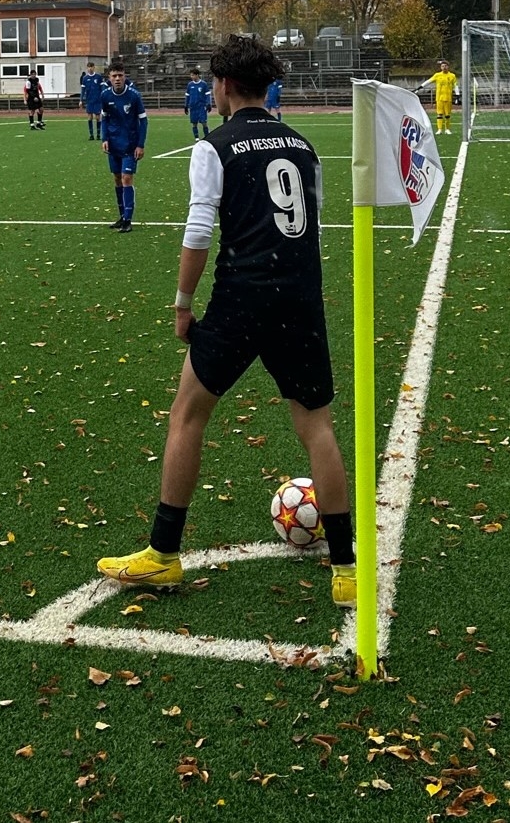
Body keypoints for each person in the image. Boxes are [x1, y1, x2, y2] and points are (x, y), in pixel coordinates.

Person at [97, 34, 355, 608]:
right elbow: (310, 227)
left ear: (223, 85)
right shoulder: (304, 146)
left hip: (242, 298)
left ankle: (163, 555)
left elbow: (198, 234)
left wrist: (183, 303)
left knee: (187, 415)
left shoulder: (214, 147)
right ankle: (346, 569)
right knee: (317, 427)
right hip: (300, 299)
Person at [99, 60, 148, 232]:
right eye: (114, 76)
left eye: (120, 75)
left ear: (125, 76)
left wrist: (140, 145)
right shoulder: (105, 96)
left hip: (129, 145)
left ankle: (128, 219)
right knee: (117, 178)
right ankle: (122, 216)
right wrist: (104, 138)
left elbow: (144, 121)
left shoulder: (134, 96)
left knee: (127, 178)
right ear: (109, 78)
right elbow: (104, 118)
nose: (117, 79)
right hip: (113, 145)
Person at [416, 60, 457, 134]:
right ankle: (439, 129)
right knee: (439, 114)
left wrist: (457, 95)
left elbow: (455, 86)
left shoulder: (452, 76)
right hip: (439, 98)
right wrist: (420, 87)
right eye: (442, 66)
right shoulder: (437, 75)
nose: (444, 67)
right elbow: (429, 81)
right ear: (441, 67)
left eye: (445, 66)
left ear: (448, 67)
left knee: (447, 115)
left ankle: (447, 129)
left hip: (448, 98)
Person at [183, 66, 214, 140]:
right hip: (193, 107)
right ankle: (196, 138)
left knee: (204, 123)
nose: (191, 77)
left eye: (193, 75)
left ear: (197, 75)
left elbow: (207, 95)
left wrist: (208, 104)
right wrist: (186, 106)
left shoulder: (203, 84)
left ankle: (207, 137)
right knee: (194, 123)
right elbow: (187, 95)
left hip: (201, 107)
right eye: (191, 75)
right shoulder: (190, 85)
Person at [80, 60, 106, 140]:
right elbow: (83, 90)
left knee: (98, 117)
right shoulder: (85, 78)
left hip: (97, 100)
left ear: (94, 68)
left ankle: (98, 135)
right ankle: (91, 135)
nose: (90, 69)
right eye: (88, 67)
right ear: (87, 68)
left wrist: (103, 97)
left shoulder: (98, 77)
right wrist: (81, 100)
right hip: (89, 101)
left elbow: (102, 88)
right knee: (89, 117)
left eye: (91, 67)